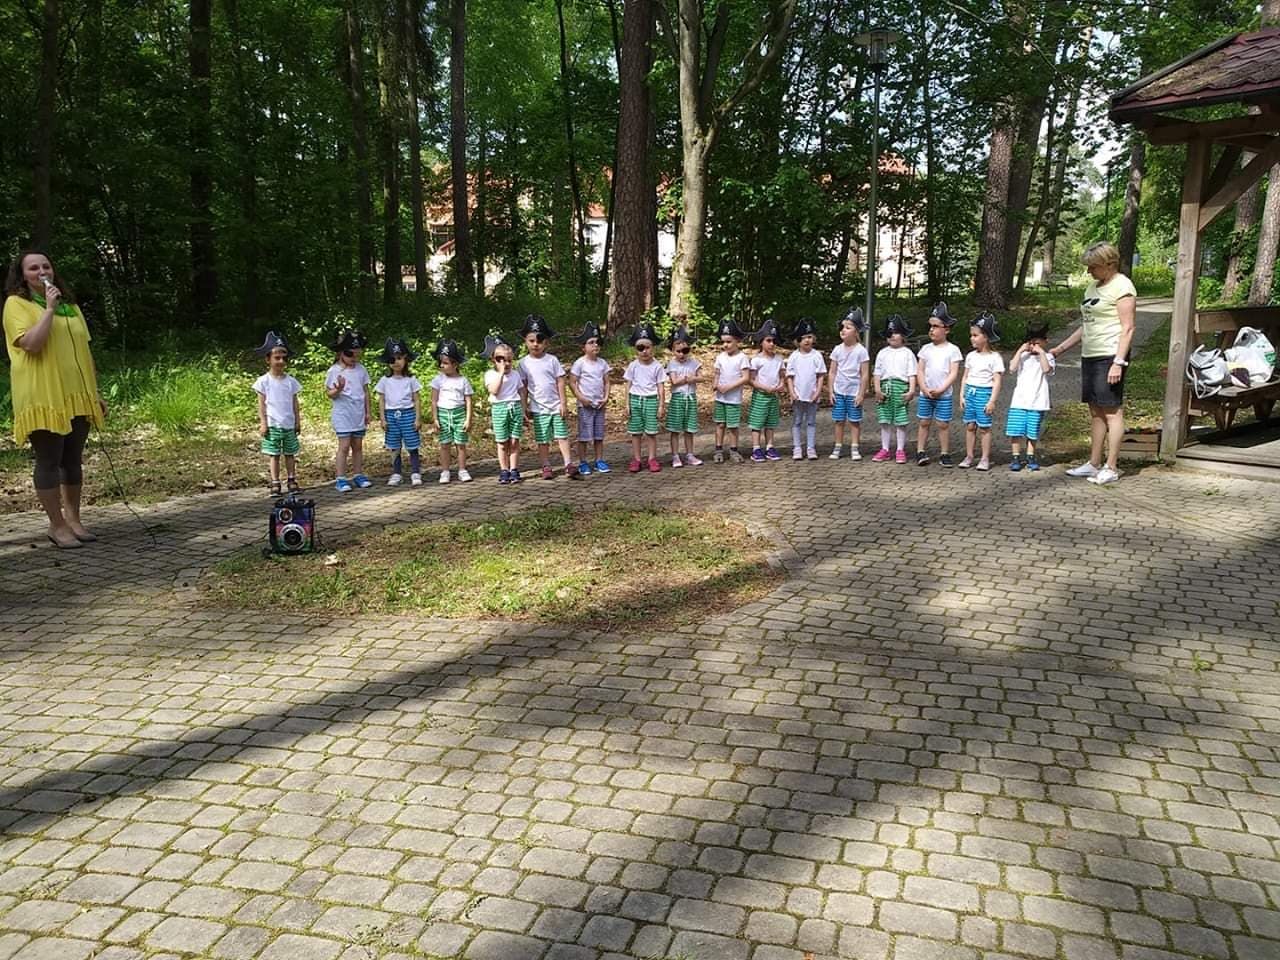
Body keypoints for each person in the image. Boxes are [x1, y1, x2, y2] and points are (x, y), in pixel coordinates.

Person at [3, 250, 107, 548]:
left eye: (46, 266)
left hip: (76, 394)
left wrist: (95, 393)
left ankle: (73, 519)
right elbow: (32, 345)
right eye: (33, 268)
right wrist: (48, 309)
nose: (41, 271)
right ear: (23, 275)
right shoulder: (16, 304)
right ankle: (56, 525)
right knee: (49, 459)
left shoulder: (70, 306)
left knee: (72, 459)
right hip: (43, 393)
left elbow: (84, 350)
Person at [1050, 241, 1137, 485]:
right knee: (1095, 410)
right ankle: (1094, 462)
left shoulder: (1122, 286)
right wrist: (1061, 348)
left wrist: (1118, 362)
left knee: (1111, 410)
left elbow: (1128, 328)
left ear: (1109, 264)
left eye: (1093, 266)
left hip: (1111, 355)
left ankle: (1111, 466)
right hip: (1091, 355)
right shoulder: (1092, 287)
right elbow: (1086, 325)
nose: (1089, 271)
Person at [517, 314, 580, 480]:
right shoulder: (523, 363)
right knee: (543, 439)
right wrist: (524, 406)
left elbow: (560, 381)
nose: (535, 344)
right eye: (531, 341)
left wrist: (563, 403)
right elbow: (523, 387)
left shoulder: (552, 360)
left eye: (539, 341)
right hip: (538, 409)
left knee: (562, 436)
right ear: (525, 342)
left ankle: (568, 464)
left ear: (546, 343)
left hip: (556, 406)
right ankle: (546, 465)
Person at [253, 331, 303, 497]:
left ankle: (291, 479)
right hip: (273, 424)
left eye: (284, 358)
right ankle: (275, 482)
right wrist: (263, 422)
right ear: (268, 359)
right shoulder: (263, 381)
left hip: (288, 424)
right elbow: (261, 404)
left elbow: (295, 403)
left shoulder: (291, 381)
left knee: (290, 453)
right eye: (277, 358)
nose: (281, 361)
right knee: (274, 454)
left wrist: (297, 421)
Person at [915, 302, 963, 467]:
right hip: (926, 394)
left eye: (936, 326)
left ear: (946, 329)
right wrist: (923, 387)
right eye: (930, 326)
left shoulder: (953, 350)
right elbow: (920, 370)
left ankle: (944, 453)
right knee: (924, 422)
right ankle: (920, 451)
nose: (931, 330)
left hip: (944, 395)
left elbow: (953, 373)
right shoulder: (925, 349)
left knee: (943, 424)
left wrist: (941, 389)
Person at [325, 329, 372, 492]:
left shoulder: (361, 369)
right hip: (343, 414)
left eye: (357, 355)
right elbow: (329, 394)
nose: (354, 358)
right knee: (344, 446)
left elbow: (365, 392)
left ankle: (358, 474)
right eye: (350, 354)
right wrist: (338, 389)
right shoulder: (334, 371)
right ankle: (341, 478)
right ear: (341, 353)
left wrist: (368, 412)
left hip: (358, 413)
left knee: (358, 446)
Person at [1006, 323, 1055, 472]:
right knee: (1015, 431)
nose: (1034, 347)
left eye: (1037, 343)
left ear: (1045, 342)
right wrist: (1020, 350)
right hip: (1019, 400)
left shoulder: (1048, 357)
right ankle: (1015, 457)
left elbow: (1046, 369)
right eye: (1032, 343)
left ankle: (1031, 456)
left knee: (1032, 431)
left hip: (1037, 401)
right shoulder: (1023, 356)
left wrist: (1041, 353)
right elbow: (1012, 368)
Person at [374, 337, 423, 486]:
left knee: (412, 445)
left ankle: (415, 472)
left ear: (406, 359)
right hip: (391, 416)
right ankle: (396, 473)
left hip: (408, 414)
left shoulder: (411, 379)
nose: (396, 362)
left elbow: (417, 399)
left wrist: (418, 418)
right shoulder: (384, 380)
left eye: (399, 358)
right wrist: (383, 419)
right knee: (394, 446)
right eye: (392, 359)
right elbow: (381, 400)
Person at [960, 312, 1005, 472]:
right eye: (971, 335)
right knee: (970, 425)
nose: (972, 338)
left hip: (984, 394)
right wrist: (961, 396)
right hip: (970, 393)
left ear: (986, 337)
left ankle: (985, 458)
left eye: (975, 335)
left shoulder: (995, 357)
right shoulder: (971, 356)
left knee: (984, 427)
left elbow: (997, 381)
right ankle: (969, 456)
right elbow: (965, 377)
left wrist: (992, 400)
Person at [871, 315, 917, 464]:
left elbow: (912, 374)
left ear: (903, 335)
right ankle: (885, 449)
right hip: (885, 388)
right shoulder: (882, 353)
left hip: (901, 388)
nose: (892, 336)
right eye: (889, 333)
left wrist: (911, 390)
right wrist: (877, 389)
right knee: (884, 420)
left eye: (896, 333)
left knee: (900, 420)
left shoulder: (907, 353)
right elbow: (877, 373)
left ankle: (900, 449)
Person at [624, 321, 668, 473]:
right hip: (635, 399)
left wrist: (661, 405)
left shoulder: (657, 366)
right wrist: (627, 404)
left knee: (651, 432)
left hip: (651, 400)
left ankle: (652, 458)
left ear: (653, 348)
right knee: (636, 432)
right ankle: (637, 459)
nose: (644, 351)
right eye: (640, 348)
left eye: (647, 347)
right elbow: (628, 385)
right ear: (635, 350)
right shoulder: (633, 365)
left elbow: (661, 387)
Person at [569, 322, 612, 476]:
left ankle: (599, 460)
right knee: (584, 436)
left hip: (599, 404)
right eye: (591, 342)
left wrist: (606, 397)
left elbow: (607, 382)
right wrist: (581, 398)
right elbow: (572, 382)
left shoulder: (602, 363)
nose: (595, 345)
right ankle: (583, 462)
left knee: (599, 435)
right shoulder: (580, 363)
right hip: (585, 405)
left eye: (597, 342)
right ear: (583, 347)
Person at [828, 307, 870, 461]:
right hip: (839, 391)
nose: (843, 330)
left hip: (854, 392)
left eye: (848, 327)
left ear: (856, 332)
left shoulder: (861, 351)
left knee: (854, 421)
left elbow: (864, 374)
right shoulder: (837, 349)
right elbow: (832, 372)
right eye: (842, 327)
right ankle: (838, 446)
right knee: (839, 420)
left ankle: (854, 447)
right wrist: (831, 391)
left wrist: (861, 394)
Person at [483, 334, 525, 485]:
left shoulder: (515, 374)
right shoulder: (490, 374)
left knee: (514, 441)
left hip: (515, 407)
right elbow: (494, 391)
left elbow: (521, 391)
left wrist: (524, 409)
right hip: (499, 408)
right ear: (493, 360)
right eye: (500, 360)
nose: (505, 364)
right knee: (502, 442)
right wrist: (500, 373)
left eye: (508, 360)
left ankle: (514, 469)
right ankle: (504, 469)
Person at [430, 340, 473, 484]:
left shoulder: (463, 380)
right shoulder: (438, 380)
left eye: (445, 363)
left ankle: (462, 470)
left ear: (455, 364)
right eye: (440, 363)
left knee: (461, 443)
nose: (442, 365)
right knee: (445, 444)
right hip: (443, 414)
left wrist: (468, 419)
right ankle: (445, 471)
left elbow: (468, 400)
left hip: (459, 414)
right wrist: (435, 418)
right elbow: (434, 400)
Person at [748, 318, 787, 462]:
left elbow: (782, 375)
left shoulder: (779, 359)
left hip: (773, 396)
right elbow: (751, 379)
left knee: (771, 423)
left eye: (774, 341)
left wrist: (781, 384)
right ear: (761, 342)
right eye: (768, 340)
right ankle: (756, 448)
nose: (771, 344)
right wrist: (764, 387)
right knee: (757, 422)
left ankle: (770, 446)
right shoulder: (756, 360)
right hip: (760, 395)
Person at [787, 317, 826, 460]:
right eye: (803, 338)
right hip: (798, 395)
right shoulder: (794, 356)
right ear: (798, 340)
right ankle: (797, 447)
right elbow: (790, 376)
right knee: (797, 422)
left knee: (811, 422)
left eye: (809, 337)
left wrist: (817, 392)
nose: (807, 341)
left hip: (812, 395)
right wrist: (792, 392)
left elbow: (820, 376)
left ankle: (811, 448)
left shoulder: (817, 355)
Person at [712, 318, 750, 463]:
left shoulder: (742, 358)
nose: (725, 345)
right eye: (723, 342)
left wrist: (729, 386)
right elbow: (717, 373)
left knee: (733, 426)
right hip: (720, 397)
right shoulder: (720, 357)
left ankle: (733, 450)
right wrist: (715, 384)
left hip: (733, 398)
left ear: (737, 341)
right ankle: (718, 449)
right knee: (720, 424)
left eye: (729, 342)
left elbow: (745, 377)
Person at [665, 324, 703, 467]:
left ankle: (690, 454)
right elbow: (674, 381)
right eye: (678, 351)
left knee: (689, 428)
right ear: (673, 351)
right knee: (675, 429)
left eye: (685, 351)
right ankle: (675, 455)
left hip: (690, 397)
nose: (682, 354)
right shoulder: (672, 364)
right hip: (678, 398)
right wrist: (688, 379)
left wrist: (693, 378)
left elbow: (701, 377)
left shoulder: (693, 362)